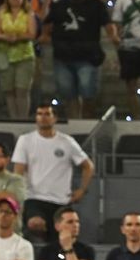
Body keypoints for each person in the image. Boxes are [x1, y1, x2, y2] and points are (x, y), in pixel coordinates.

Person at [12, 104, 94, 244]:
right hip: (34, 198)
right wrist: (18, 195)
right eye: (39, 114)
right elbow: (18, 170)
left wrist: (82, 190)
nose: (43, 117)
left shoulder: (67, 142)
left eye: (47, 114)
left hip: (61, 200)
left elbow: (88, 166)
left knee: (61, 240)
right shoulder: (25, 140)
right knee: (35, 224)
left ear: (54, 118)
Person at [47, 0, 107, 120]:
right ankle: (74, 123)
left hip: (88, 57)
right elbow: (47, 24)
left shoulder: (95, 4)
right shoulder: (59, 5)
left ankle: (87, 124)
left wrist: (115, 37)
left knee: (88, 95)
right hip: (63, 57)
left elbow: (108, 25)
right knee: (69, 96)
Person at [0, 0, 39, 122]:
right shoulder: (1, 13)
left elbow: (31, 34)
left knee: (22, 90)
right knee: (9, 90)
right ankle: (13, 120)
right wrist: (6, 37)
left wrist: (17, 37)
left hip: (24, 55)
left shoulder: (28, 14)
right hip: (4, 55)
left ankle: (22, 120)